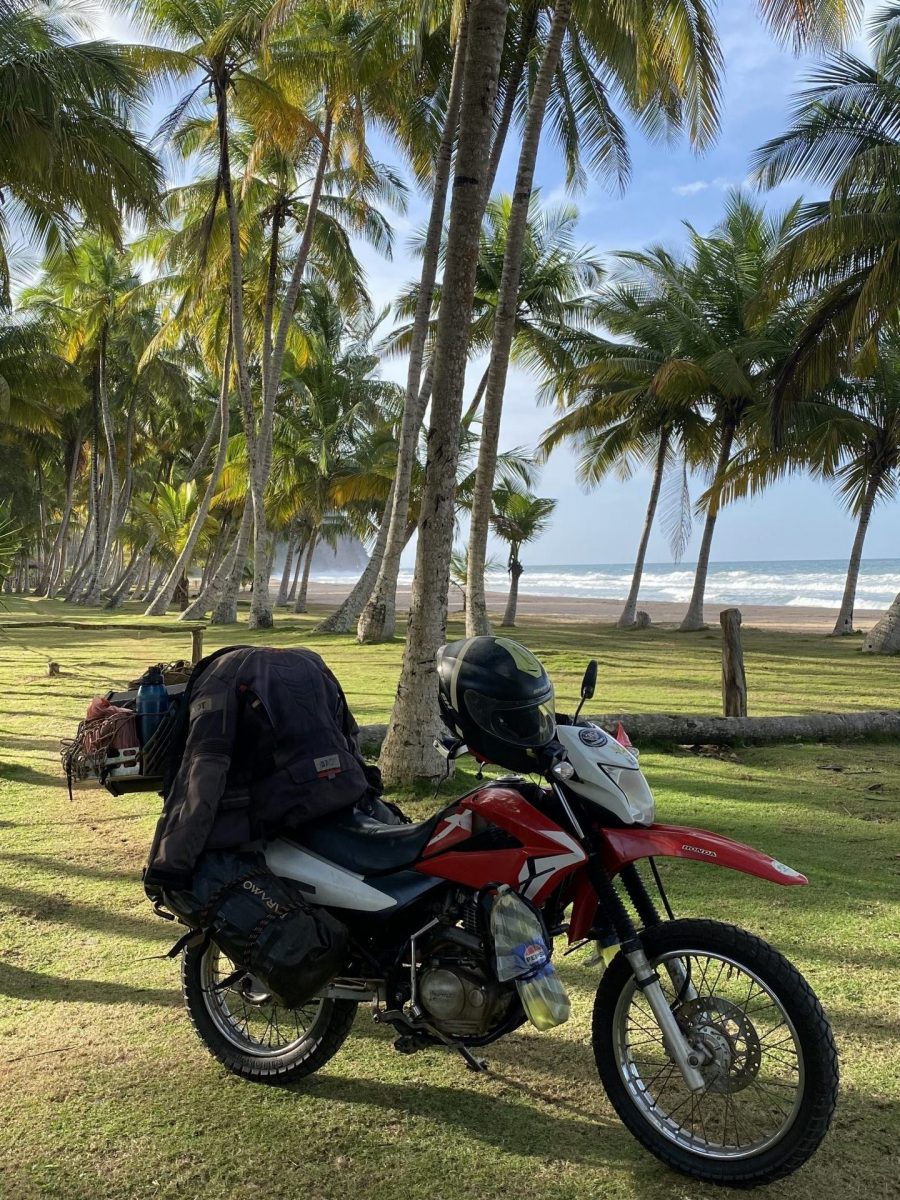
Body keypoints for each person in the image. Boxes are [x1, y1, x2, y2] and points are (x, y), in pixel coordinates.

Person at [144, 645, 386, 895]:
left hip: (280, 808)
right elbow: (349, 735)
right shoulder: (310, 661)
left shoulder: (220, 679)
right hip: (342, 790)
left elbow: (202, 772)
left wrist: (169, 866)